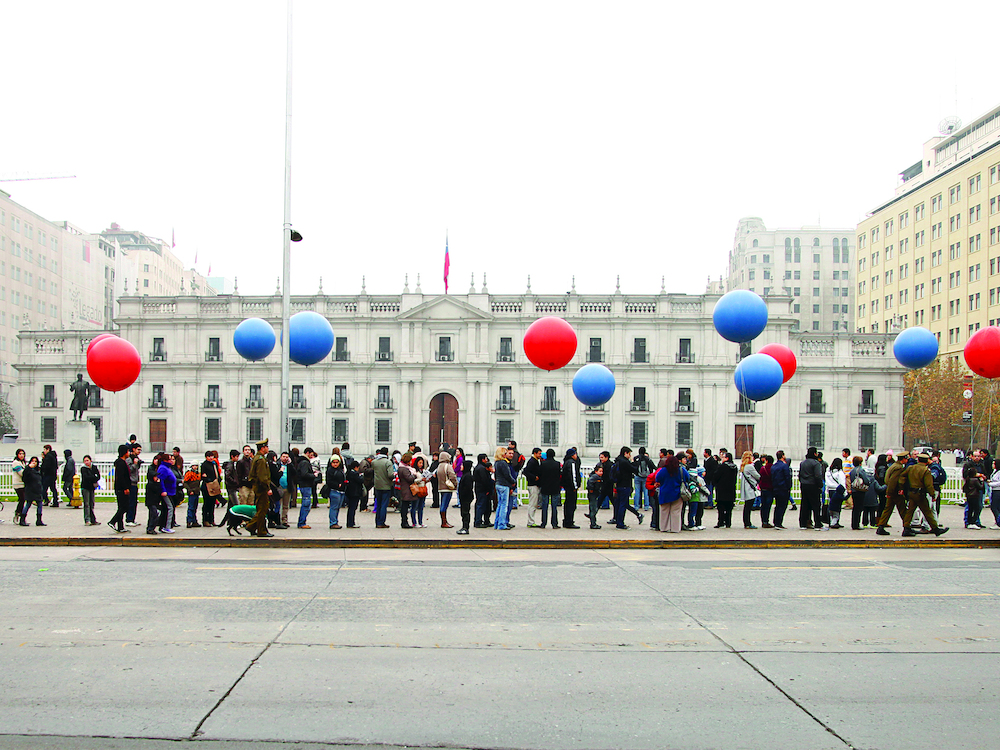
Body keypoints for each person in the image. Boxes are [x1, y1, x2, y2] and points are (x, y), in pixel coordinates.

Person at [900, 453, 949, 537]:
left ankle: (906, 528)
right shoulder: (925, 470)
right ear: (926, 461)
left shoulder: (911, 468)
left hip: (912, 492)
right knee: (927, 512)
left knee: (910, 511)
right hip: (920, 494)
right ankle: (935, 529)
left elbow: (902, 476)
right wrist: (932, 495)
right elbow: (929, 485)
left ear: (918, 460)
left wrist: (902, 487)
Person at [876, 449, 910, 535]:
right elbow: (893, 481)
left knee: (887, 510)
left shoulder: (893, 465)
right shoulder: (899, 468)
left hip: (891, 492)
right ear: (904, 459)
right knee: (903, 510)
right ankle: (907, 528)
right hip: (895, 492)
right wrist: (890, 493)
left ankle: (881, 526)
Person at [244, 439, 274, 537]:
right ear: (263, 448)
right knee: (262, 510)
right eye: (266, 447)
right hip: (261, 488)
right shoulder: (260, 460)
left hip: (258, 487)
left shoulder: (258, 458)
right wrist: (267, 488)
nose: (268, 448)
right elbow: (262, 477)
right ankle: (259, 530)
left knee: (262, 509)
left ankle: (255, 527)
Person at [655, 454, 689, 532]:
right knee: (676, 512)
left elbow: (657, 478)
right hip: (677, 493)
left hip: (665, 493)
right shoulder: (681, 470)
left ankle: (664, 528)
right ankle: (675, 528)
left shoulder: (663, 470)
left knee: (664, 511)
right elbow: (687, 478)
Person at [612, 447, 640, 530]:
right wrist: (633, 462)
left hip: (619, 484)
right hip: (625, 485)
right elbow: (634, 469)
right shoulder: (624, 462)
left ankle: (618, 521)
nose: (630, 456)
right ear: (625, 453)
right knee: (623, 505)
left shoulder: (618, 460)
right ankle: (620, 523)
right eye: (629, 454)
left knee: (620, 503)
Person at [848, 455, 878, 530]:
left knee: (855, 508)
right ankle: (856, 525)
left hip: (854, 490)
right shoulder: (861, 470)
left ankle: (854, 523)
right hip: (859, 490)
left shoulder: (852, 471)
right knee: (859, 508)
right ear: (860, 463)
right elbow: (866, 480)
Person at [108, 444, 132, 533]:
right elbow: (121, 477)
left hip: (121, 488)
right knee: (124, 507)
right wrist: (125, 487)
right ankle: (112, 521)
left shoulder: (122, 462)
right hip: (121, 489)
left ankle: (120, 526)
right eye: (128, 451)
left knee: (121, 507)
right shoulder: (121, 463)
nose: (129, 453)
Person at [798, 447, 824, 529]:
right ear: (814, 454)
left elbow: (800, 474)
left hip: (804, 485)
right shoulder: (816, 463)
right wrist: (820, 485)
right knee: (816, 505)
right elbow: (817, 476)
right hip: (813, 485)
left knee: (805, 504)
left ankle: (803, 523)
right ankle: (817, 523)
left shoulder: (803, 463)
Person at [537, 448, 562, 529]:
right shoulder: (557, 464)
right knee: (554, 507)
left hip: (545, 487)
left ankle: (543, 523)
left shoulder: (543, 464)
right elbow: (559, 475)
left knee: (545, 506)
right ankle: (554, 523)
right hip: (555, 487)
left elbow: (540, 475)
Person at [713, 451, 738, 528]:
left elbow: (716, 476)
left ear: (727, 458)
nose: (722, 459)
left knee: (721, 507)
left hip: (722, 489)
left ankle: (720, 522)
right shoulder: (734, 467)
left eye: (723, 457)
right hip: (731, 489)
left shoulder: (722, 466)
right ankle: (728, 522)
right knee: (729, 508)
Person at [494, 447, 516, 530]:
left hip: (498, 484)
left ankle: (497, 523)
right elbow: (507, 475)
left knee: (500, 504)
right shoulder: (503, 463)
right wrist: (513, 482)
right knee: (504, 505)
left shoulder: (497, 463)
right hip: (504, 485)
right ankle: (502, 524)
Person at [372, 447, 394, 528]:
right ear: (387, 453)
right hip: (386, 486)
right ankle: (381, 522)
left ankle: (377, 521)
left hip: (377, 485)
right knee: (384, 505)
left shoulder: (374, 462)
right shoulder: (388, 462)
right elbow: (390, 474)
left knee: (378, 504)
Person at [739, 451, 761, 529]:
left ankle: (746, 522)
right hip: (750, 488)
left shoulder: (743, 466)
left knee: (747, 506)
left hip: (746, 488)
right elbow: (757, 476)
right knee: (748, 506)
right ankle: (748, 523)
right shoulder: (749, 466)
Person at [824, 457, 848, 529]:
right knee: (837, 507)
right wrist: (845, 492)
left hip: (830, 490)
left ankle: (832, 520)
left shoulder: (828, 472)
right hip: (838, 490)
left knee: (832, 506)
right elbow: (842, 483)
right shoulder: (840, 473)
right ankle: (835, 521)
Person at [396, 452, 418, 529]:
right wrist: (414, 475)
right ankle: (404, 522)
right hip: (407, 489)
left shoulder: (401, 468)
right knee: (405, 506)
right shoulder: (405, 469)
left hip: (404, 489)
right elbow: (409, 478)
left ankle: (404, 521)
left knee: (405, 506)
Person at [157, 453, 178, 533]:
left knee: (167, 508)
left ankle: (163, 526)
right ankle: (166, 526)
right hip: (167, 492)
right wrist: (163, 490)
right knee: (170, 508)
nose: (171, 461)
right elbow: (161, 480)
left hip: (171, 491)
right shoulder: (163, 468)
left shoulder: (167, 468)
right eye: (169, 459)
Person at [436, 451, 458, 528]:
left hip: (441, 488)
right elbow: (452, 476)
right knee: (444, 505)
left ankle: (444, 520)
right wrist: (455, 484)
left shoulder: (439, 466)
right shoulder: (447, 466)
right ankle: (444, 522)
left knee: (442, 503)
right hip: (447, 488)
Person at [770, 451, 792, 529]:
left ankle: (776, 521)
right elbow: (787, 477)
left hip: (776, 488)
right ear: (783, 456)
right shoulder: (784, 466)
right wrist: (789, 487)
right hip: (783, 488)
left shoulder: (774, 466)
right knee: (782, 506)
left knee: (778, 505)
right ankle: (779, 522)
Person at [22, 457, 46, 526]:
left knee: (40, 505)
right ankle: (22, 519)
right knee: (28, 504)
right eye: (32, 461)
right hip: (30, 490)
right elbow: (24, 478)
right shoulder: (28, 470)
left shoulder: (38, 470)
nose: (34, 463)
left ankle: (39, 520)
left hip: (38, 490)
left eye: (35, 461)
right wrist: (28, 468)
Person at [201, 450, 222, 527]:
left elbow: (217, 473)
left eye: (212, 456)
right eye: (209, 456)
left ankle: (211, 520)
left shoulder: (214, 464)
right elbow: (203, 476)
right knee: (207, 504)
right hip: (207, 486)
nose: (211, 458)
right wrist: (209, 479)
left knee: (212, 504)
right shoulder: (204, 465)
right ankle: (205, 520)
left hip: (214, 485)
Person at [326, 455, 347, 529]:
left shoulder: (340, 470)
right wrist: (338, 485)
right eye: (333, 462)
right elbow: (329, 482)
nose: (335, 464)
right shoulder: (330, 470)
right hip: (334, 491)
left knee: (337, 507)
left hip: (341, 491)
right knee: (334, 507)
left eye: (337, 462)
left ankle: (335, 521)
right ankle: (333, 522)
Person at [523, 447, 543, 527]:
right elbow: (526, 471)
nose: (540, 455)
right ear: (535, 453)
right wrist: (534, 477)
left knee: (534, 504)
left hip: (534, 484)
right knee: (532, 504)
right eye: (539, 453)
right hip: (533, 485)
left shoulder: (535, 461)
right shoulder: (532, 462)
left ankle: (531, 521)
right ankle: (530, 521)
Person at [561, 448, 581, 528]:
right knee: (571, 505)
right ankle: (569, 521)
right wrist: (575, 486)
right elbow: (573, 475)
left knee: (568, 503)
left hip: (567, 486)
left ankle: (567, 520)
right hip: (571, 487)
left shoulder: (566, 462)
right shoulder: (572, 463)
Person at [473, 453, 494, 528]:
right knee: (481, 505)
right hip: (482, 489)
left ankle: (486, 520)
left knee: (487, 505)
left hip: (481, 489)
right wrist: (488, 489)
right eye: (485, 458)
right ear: (482, 459)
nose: (487, 460)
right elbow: (484, 480)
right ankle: (478, 521)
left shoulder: (480, 467)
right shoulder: (481, 468)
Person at [125, 443, 143, 526]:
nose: (139, 451)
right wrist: (135, 464)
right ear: (133, 449)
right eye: (138, 449)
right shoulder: (129, 459)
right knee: (131, 502)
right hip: (131, 483)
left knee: (134, 502)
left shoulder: (135, 458)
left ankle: (132, 518)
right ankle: (129, 519)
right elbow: (129, 470)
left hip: (135, 483)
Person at [79, 455, 100, 526]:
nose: (86, 462)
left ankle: (93, 519)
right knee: (86, 504)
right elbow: (86, 477)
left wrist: (94, 477)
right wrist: (93, 477)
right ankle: (87, 520)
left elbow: (98, 476)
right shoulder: (83, 469)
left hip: (92, 487)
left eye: (87, 460)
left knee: (92, 503)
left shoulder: (94, 467)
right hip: (85, 487)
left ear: (90, 460)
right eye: (85, 461)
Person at [145, 453, 163, 534]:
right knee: (153, 513)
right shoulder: (151, 469)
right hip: (151, 495)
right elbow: (153, 475)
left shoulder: (159, 469)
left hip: (156, 496)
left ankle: (151, 527)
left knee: (154, 513)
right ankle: (150, 528)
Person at [410, 455, 429, 527]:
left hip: (423, 489)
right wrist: (421, 479)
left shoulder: (423, 471)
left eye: (422, 463)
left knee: (421, 507)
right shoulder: (414, 471)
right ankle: (414, 522)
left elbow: (425, 480)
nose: (421, 464)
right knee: (414, 506)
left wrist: (427, 479)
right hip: (417, 489)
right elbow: (413, 480)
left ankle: (420, 522)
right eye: (419, 463)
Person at [343, 459, 363, 529]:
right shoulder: (355, 474)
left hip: (349, 492)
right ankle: (351, 523)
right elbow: (360, 480)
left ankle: (350, 522)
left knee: (350, 508)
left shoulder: (348, 473)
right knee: (353, 508)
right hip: (355, 493)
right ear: (356, 467)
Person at [456, 459, 474, 535]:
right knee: (463, 513)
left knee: (465, 513)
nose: (461, 467)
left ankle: (465, 527)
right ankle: (464, 526)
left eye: (462, 465)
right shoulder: (465, 475)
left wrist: (462, 495)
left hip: (466, 498)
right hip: (464, 497)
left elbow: (467, 488)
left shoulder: (467, 476)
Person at [12, 448, 28, 526]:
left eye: (23, 454)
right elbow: (21, 473)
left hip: (23, 484)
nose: (21, 455)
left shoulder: (23, 463)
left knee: (23, 499)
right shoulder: (16, 463)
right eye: (20, 454)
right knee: (22, 499)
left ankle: (21, 515)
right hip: (18, 484)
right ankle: (18, 513)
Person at [586, 465, 604, 530]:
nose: (601, 473)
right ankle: (593, 523)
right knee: (593, 509)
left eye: (602, 471)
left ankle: (593, 523)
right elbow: (590, 482)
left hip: (594, 494)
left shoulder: (598, 477)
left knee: (593, 508)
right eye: (600, 471)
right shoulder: (595, 477)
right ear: (596, 471)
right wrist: (591, 489)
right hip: (593, 494)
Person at [988, 458, 1000, 530]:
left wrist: (991, 484)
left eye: (994, 463)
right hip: (994, 490)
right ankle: (997, 521)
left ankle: (998, 522)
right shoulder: (995, 471)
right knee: (997, 507)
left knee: (994, 507)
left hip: (998, 491)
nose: (992, 465)